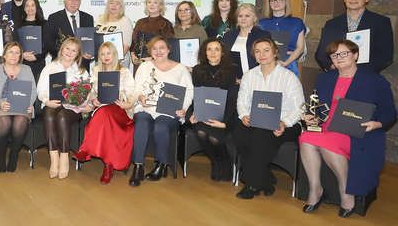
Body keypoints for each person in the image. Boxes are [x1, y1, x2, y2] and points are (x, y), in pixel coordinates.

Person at [299, 40, 396, 217]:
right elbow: (317, 107)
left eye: (344, 54)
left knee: (328, 144)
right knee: (305, 138)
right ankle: (315, 189)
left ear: (356, 55)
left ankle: (346, 192)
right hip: (327, 127)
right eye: (335, 55)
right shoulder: (325, 78)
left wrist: (377, 124)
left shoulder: (374, 80)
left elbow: (390, 112)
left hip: (358, 131)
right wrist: (311, 115)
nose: (339, 58)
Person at [234, 38, 304, 199]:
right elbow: (242, 101)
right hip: (256, 120)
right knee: (239, 133)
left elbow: (300, 108)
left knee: (260, 136)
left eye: (266, 50)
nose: (262, 54)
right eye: (257, 51)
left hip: (286, 123)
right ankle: (266, 179)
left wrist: (284, 123)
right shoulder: (249, 76)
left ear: (275, 52)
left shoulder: (289, 77)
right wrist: (243, 115)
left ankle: (252, 183)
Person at [129, 36, 193, 187]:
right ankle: (138, 165)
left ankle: (161, 164)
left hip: (169, 110)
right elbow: (137, 87)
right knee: (142, 123)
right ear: (150, 52)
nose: (158, 51)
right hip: (146, 107)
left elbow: (189, 91)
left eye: (162, 48)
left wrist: (183, 108)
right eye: (154, 48)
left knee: (161, 126)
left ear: (169, 50)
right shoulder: (144, 67)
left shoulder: (181, 69)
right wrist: (140, 96)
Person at [74, 42, 136, 184]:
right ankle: (108, 166)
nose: (106, 56)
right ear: (99, 56)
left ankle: (86, 149)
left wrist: (125, 101)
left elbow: (132, 94)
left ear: (114, 55)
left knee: (105, 113)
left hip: (120, 110)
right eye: (102, 54)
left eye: (109, 53)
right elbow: (90, 92)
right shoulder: (96, 71)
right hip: (102, 108)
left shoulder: (124, 72)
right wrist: (93, 99)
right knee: (104, 113)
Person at [37, 37, 93, 179]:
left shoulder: (81, 72)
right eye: (67, 48)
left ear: (78, 54)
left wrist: (77, 100)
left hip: (73, 109)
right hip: (52, 104)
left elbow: (87, 94)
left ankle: (64, 157)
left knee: (62, 116)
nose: (69, 52)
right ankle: (53, 158)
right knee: (49, 114)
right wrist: (46, 100)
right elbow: (41, 89)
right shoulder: (50, 67)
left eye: (74, 50)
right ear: (61, 49)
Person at [315, 0, 393, 73]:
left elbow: (385, 55)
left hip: (366, 77)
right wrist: (332, 67)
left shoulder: (381, 22)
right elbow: (322, 53)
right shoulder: (332, 23)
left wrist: (358, 72)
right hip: (337, 75)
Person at [187, 38, 237, 181]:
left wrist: (225, 122)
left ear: (222, 53)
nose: (213, 52)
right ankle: (215, 161)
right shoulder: (197, 70)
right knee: (202, 132)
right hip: (203, 112)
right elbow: (195, 95)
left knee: (214, 138)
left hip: (225, 114)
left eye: (217, 49)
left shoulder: (231, 69)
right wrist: (192, 114)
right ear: (204, 52)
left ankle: (224, 162)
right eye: (209, 49)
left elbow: (232, 98)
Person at [0, 42, 36, 173]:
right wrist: (0, 103)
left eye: (17, 52)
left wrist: (29, 104)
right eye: (10, 52)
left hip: (22, 105)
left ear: (20, 56)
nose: (14, 55)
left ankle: (14, 155)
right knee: (4, 121)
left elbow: (33, 91)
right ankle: (1, 155)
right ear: (4, 55)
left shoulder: (27, 69)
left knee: (21, 120)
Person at [259, 0, 306, 77]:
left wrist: (285, 63)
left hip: (289, 64)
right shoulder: (262, 24)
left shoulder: (297, 22)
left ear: (285, 2)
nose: (275, 2)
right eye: (272, 0)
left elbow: (300, 48)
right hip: (266, 64)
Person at [221, 3, 272, 78]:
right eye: (240, 16)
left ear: (254, 18)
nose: (243, 18)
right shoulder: (228, 35)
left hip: (256, 78)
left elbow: (268, 60)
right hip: (232, 80)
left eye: (247, 16)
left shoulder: (263, 35)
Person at [44, 0, 94, 64]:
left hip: (82, 65)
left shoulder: (88, 18)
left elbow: (91, 42)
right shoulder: (54, 18)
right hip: (60, 65)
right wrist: (66, 55)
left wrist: (91, 54)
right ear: (64, 1)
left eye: (76, 0)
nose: (73, 2)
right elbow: (49, 43)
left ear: (80, 2)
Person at [131, 0, 174, 66]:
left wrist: (151, 58)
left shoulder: (166, 24)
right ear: (146, 5)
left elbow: (168, 47)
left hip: (157, 64)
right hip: (139, 65)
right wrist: (133, 56)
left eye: (155, 2)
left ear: (160, 5)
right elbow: (133, 43)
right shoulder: (140, 22)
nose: (152, 5)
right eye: (149, 2)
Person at [96, 0, 134, 66]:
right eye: (111, 3)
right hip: (100, 63)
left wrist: (113, 64)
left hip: (118, 63)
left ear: (121, 6)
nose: (114, 6)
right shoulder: (99, 19)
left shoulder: (125, 21)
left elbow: (126, 45)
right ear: (107, 5)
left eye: (117, 3)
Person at [15, 0, 47, 81]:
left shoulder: (45, 24)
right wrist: (22, 55)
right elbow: (15, 44)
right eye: (27, 6)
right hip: (22, 64)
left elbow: (47, 45)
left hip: (38, 64)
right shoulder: (18, 25)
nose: (30, 8)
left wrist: (37, 57)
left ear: (37, 7)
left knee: (37, 91)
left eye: (33, 5)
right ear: (24, 8)